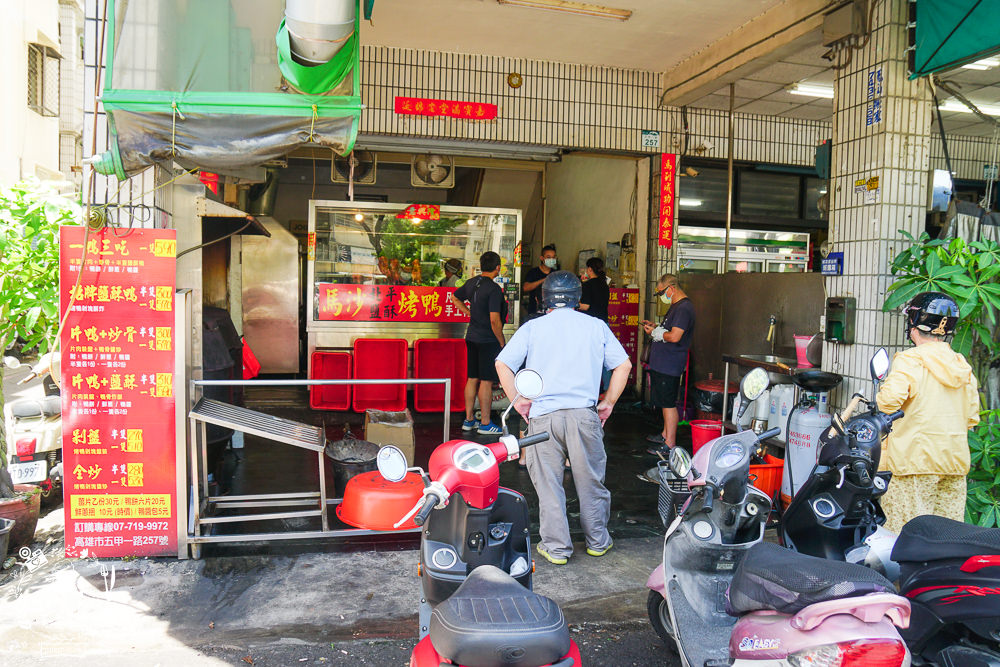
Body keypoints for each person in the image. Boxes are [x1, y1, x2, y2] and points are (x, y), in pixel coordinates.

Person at [496, 270, 632, 565]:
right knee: (590, 481)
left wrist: (519, 401)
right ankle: (598, 541)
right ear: (577, 298)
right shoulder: (596, 326)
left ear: (543, 298)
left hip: (543, 417)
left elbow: (503, 363)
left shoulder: (533, 328)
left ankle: (557, 548)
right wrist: (608, 402)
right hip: (584, 416)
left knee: (549, 485)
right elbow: (624, 365)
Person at [875, 291, 980, 534]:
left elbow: (888, 404)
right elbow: (971, 417)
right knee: (946, 538)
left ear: (913, 324)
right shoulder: (961, 365)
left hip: (913, 463)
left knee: (903, 535)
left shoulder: (910, 360)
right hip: (953, 464)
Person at [451, 251, 507, 435]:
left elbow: (455, 298)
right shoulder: (493, 289)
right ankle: (485, 423)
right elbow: (494, 320)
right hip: (487, 339)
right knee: (486, 380)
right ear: (497, 267)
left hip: (472, 337)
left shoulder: (472, 283)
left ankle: (468, 420)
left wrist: (469, 313)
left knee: (472, 377)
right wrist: (501, 341)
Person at [641, 274, 694, 456]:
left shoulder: (684, 308)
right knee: (664, 403)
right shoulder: (676, 307)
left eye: (662, 292)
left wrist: (656, 332)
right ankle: (665, 434)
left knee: (668, 403)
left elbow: (675, 336)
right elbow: (670, 331)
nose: (662, 296)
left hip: (669, 364)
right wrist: (656, 327)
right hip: (663, 362)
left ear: (671, 288)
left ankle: (670, 443)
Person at [522, 244, 558, 315]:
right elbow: (525, 288)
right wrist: (544, 280)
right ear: (542, 258)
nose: (551, 259)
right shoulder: (533, 272)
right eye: (548, 257)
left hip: (552, 311)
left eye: (553, 257)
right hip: (534, 310)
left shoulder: (556, 273)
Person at [578, 257, 610, 323]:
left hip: (592, 323)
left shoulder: (587, 285)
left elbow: (585, 306)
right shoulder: (604, 284)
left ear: (590, 269)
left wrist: (573, 304)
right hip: (604, 322)